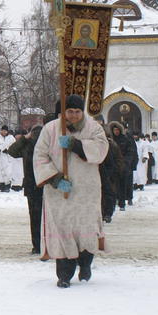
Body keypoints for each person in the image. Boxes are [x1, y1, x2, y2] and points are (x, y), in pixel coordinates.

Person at [34, 94, 108, 288]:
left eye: (77, 111)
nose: (73, 115)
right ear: (63, 112)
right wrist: (55, 178)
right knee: (63, 230)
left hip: (86, 190)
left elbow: (101, 149)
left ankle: (85, 264)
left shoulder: (93, 128)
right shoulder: (51, 129)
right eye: (69, 111)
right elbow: (40, 156)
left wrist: (77, 145)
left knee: (85, 229)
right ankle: (64, 274)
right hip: (60, 192)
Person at [8, 125, 44, 254]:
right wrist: (24, 138)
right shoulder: (27, 144)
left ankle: (42, 245)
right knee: (36, 218)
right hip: (33, 185)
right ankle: (38, 246)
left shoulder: (46, 144)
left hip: (45, 185)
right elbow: (12, 151)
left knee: (39, 218)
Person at [108, 122, 137, 211]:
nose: (116, 131)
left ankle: (123, 203)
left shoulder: (126, 139)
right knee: (113, 185)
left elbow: (131, 152)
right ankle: (114, 203)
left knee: (123, 185)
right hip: (113, 166)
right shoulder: (111, 140)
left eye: (117, 130)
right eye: (114, 130)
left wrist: (127, 162)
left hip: (124, 166)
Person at [0, 126, 16, 192]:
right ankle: (3, 186)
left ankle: (8, 186)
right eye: (3, 130)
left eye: (5, 131)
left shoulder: (11, 137)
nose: (4, 132)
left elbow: (14, 145)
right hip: (1, 156)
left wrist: (8, 150)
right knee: (2, 172)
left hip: (9, 157)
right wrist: (1, 149)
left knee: (8, 172)